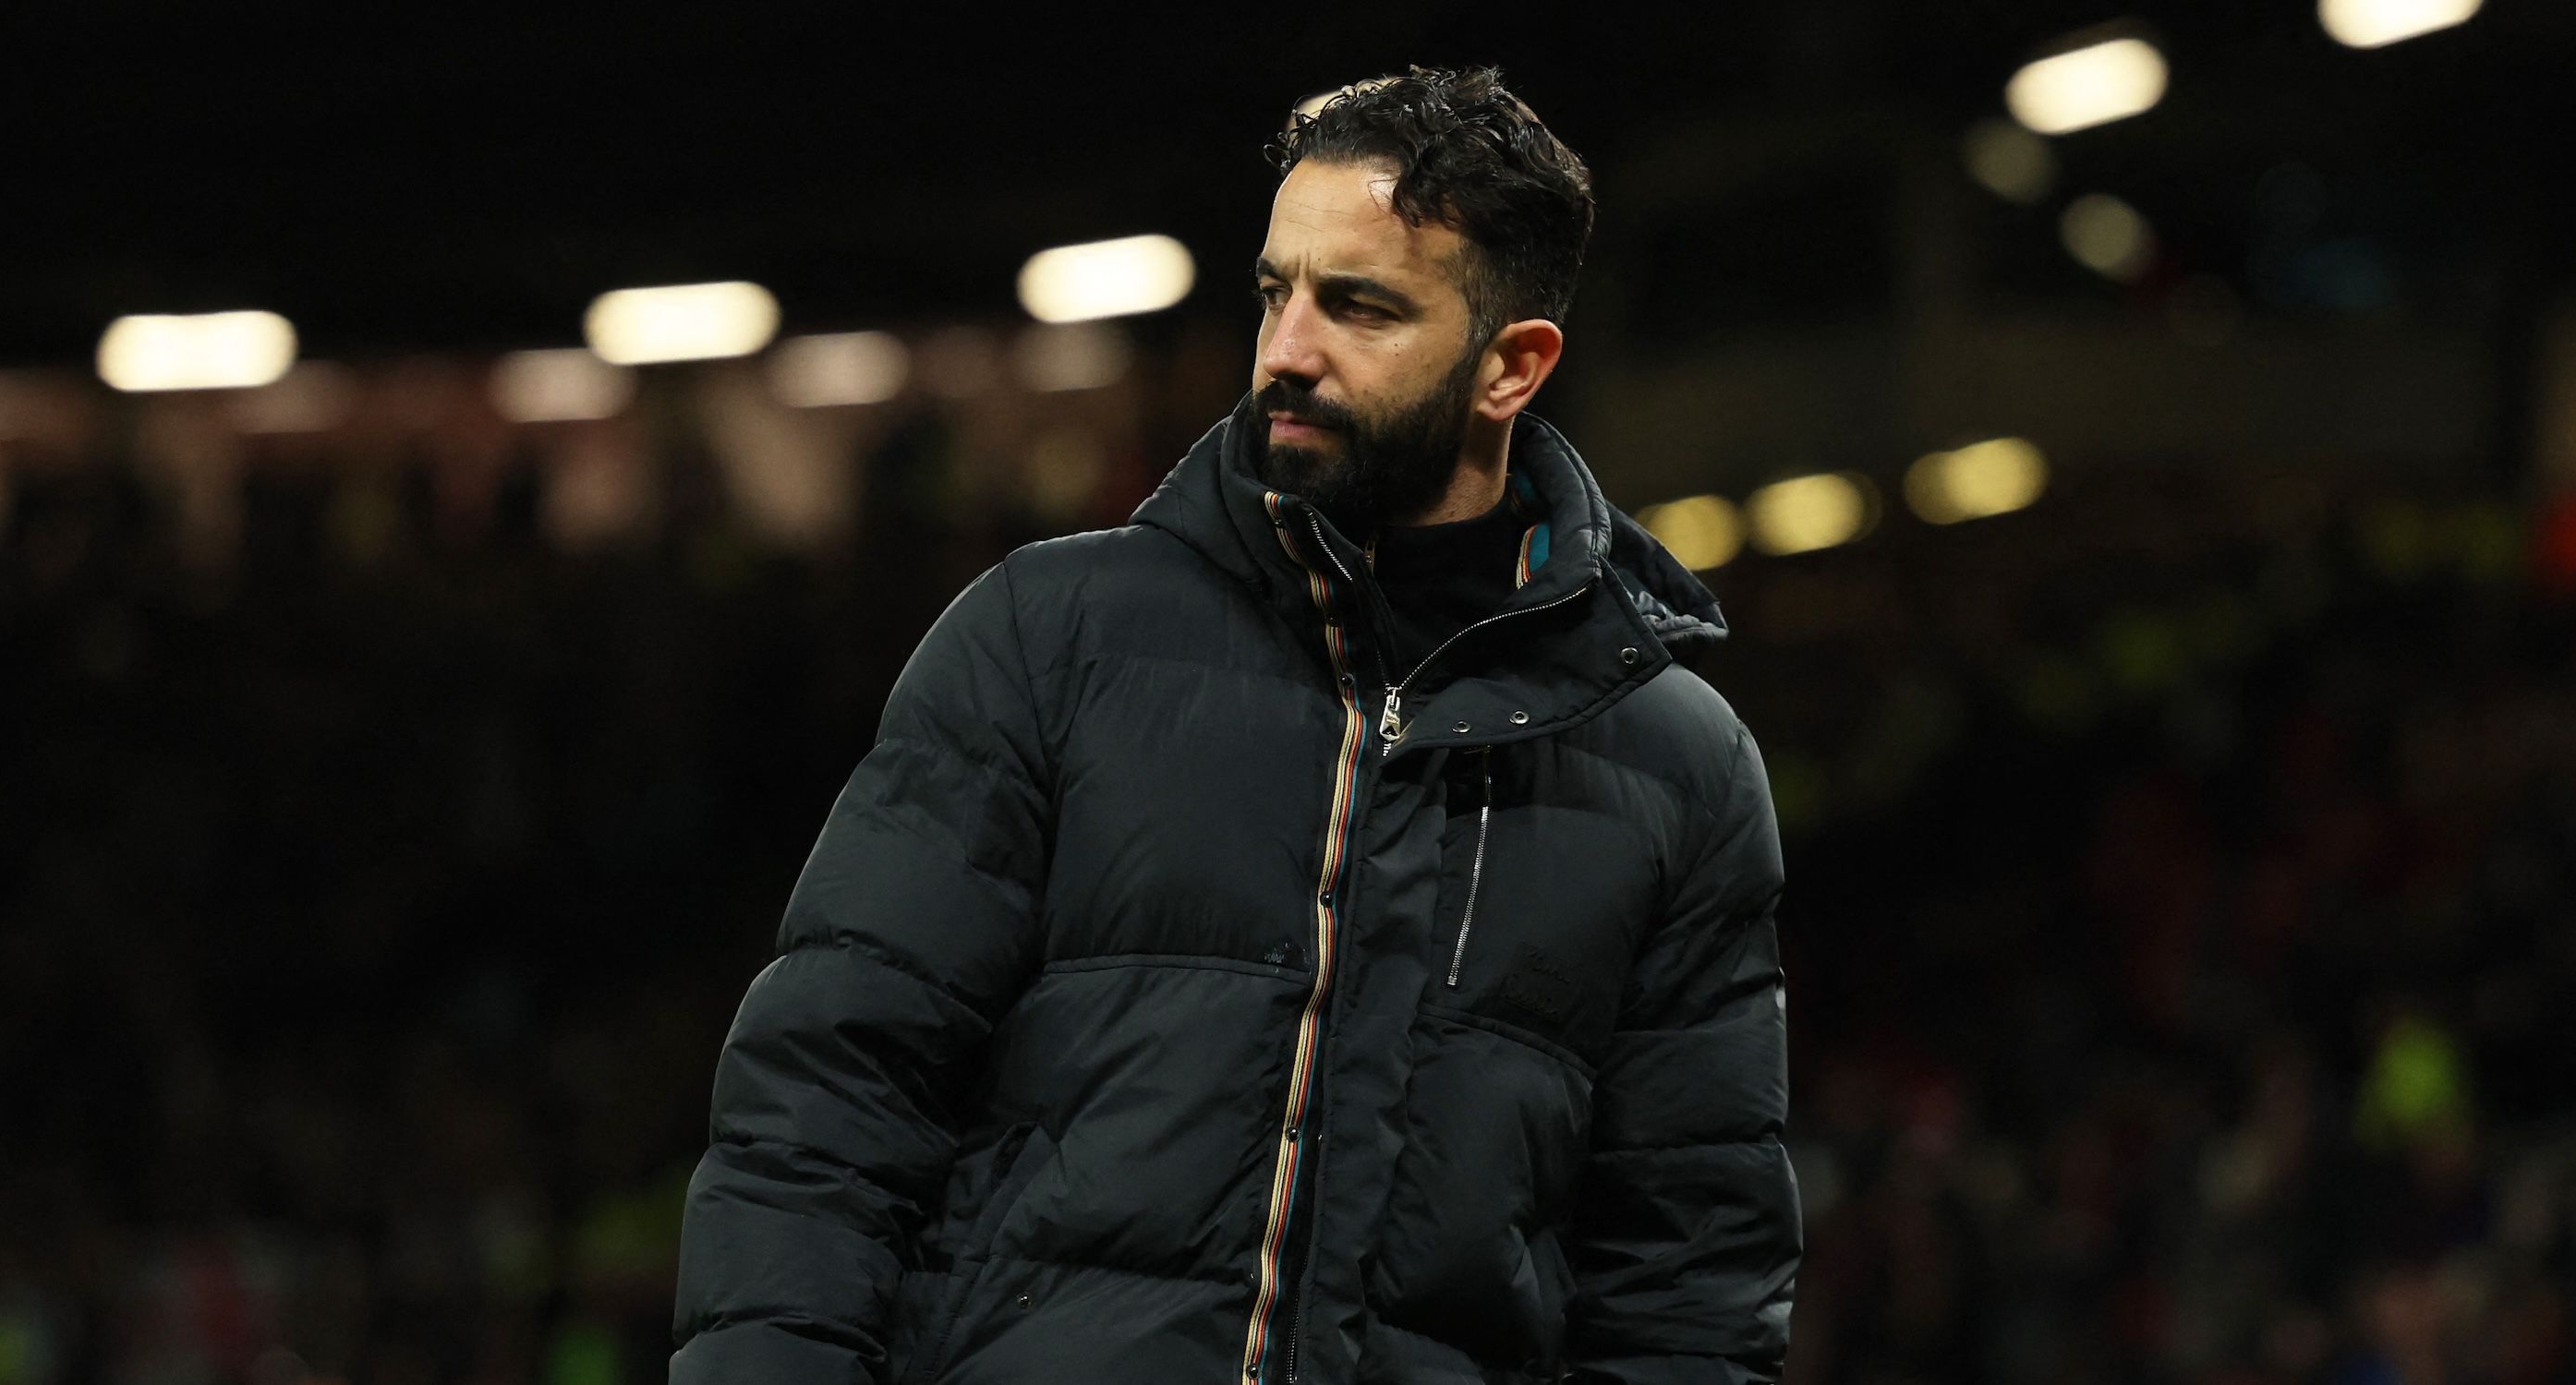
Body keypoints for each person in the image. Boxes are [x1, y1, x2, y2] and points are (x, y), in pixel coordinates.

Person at [671, 65, 1800, 1385]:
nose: (1286, 351)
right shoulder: (1049, 640)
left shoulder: (1675, 765)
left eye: (1360, 306)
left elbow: (1689, 1295)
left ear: (1513, 366)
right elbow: (822, 1115)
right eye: (1277, 290)